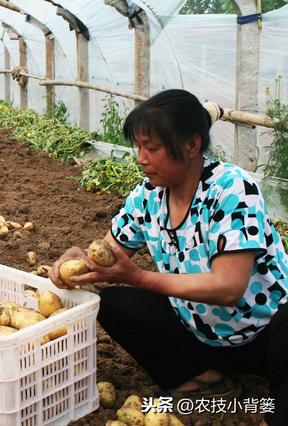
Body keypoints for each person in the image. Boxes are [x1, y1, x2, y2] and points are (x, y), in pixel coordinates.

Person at [49, 89, 288, 426]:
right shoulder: (146, 197)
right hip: (199, 334)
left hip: (265, 340)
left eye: (153, 148)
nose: (141, 158)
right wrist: (79, 262)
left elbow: (228, 287)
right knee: (115, 303)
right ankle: (200, 381)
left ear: (191, 146)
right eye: (139, 147)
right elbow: (108, 256)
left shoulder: (232, 189)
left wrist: (140, 277)